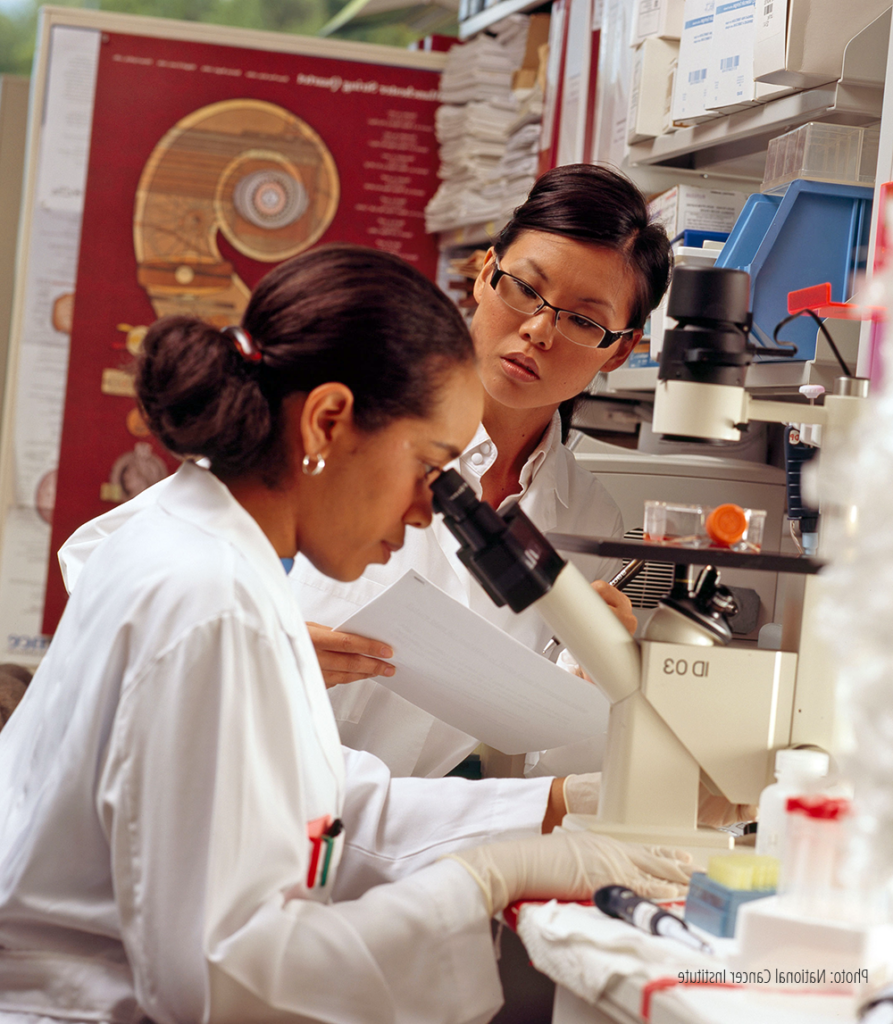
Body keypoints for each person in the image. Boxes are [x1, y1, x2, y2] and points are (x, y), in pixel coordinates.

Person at [0, 245, 693, 1024]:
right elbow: (227, 981)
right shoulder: (213, 602)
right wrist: (480, 883)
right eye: (428, 466)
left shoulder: (207, 547)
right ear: (329, 421)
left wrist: (552, 810)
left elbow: (317, 806)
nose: (429, 512)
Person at [291, 164, 672, 778]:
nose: (539, 330)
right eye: (524, 288)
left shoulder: (591, 518)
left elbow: (539, 747)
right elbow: (115, 559)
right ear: (486, 272)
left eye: (583, 320)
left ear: (621, 349)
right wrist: (255, 648)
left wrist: (595, 673)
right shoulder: (340, 411)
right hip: (260, 785)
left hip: (419, 834)